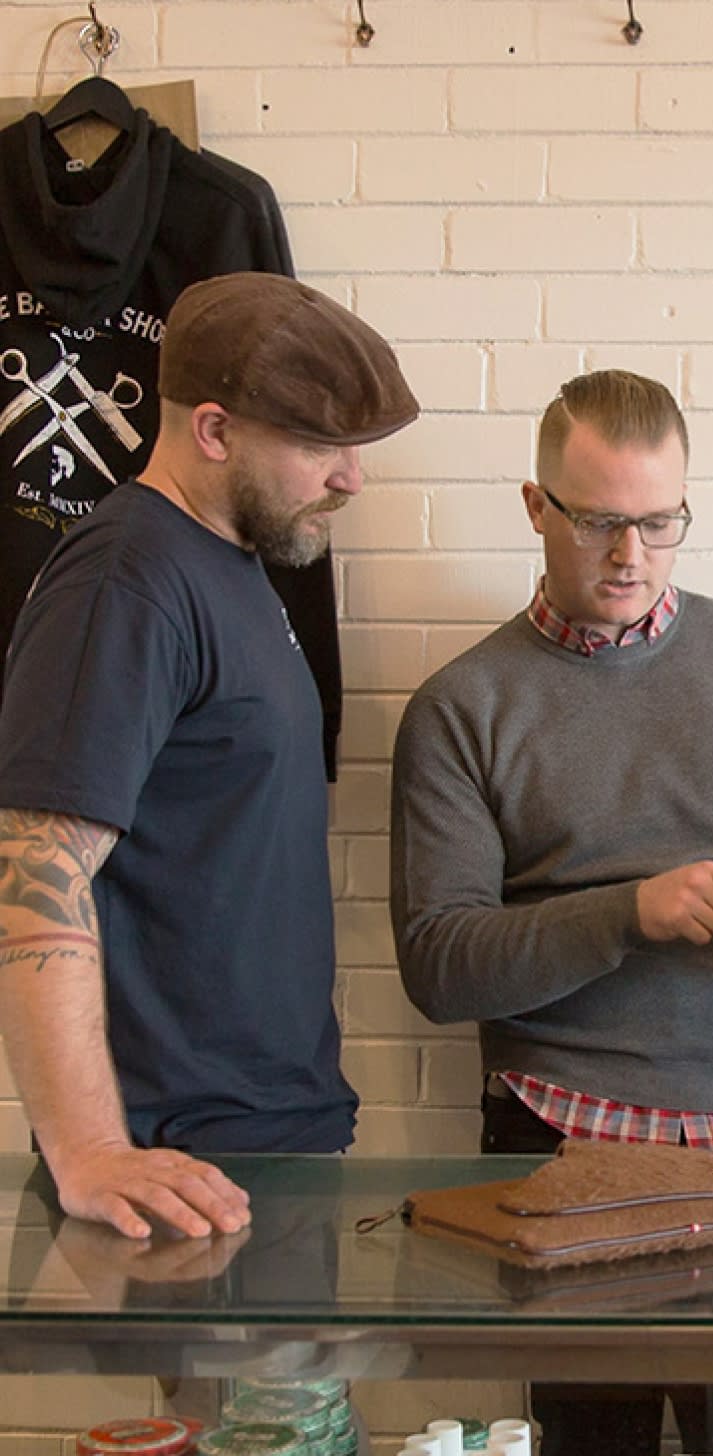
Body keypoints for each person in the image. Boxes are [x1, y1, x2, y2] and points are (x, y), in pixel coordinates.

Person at [390, 368, 713, 1456]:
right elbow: (439, 967)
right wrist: (628, 911)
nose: (630, 556)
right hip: (558, 1133)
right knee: (590, 1441)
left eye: (659, 522)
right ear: (536, 507)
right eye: (599, 523)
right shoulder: (461, 707)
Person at [0, 271, 419, 1242]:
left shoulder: (227, 562)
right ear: (216, 432)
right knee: (249, 1407)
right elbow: (33, 874)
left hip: (269, 1125)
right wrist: (90, 1147)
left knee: (301, 1404)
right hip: (193, 1158)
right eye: (319, 444)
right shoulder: (126, 581)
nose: (351, 477)